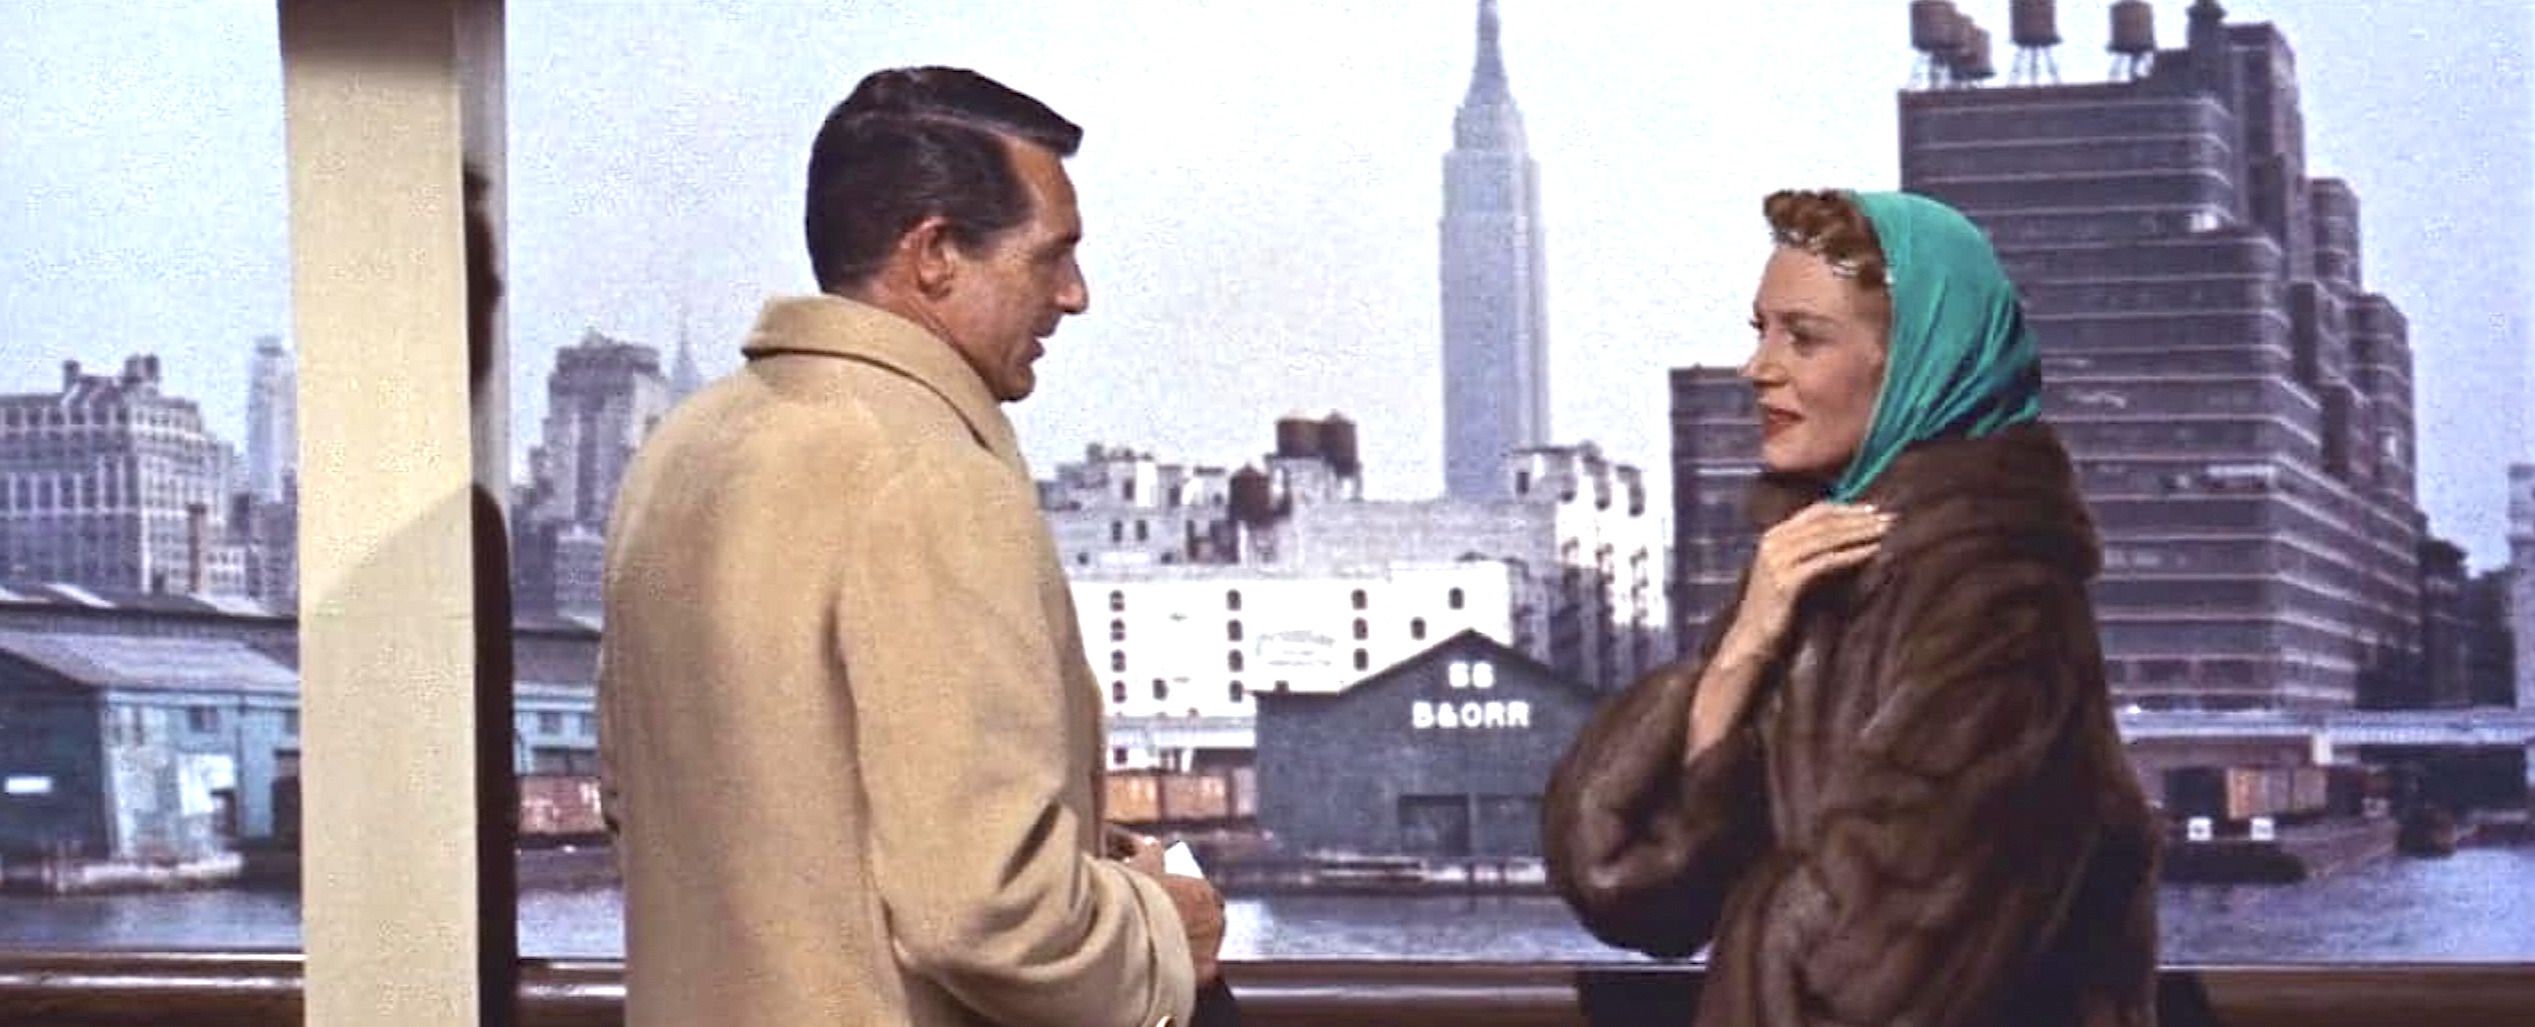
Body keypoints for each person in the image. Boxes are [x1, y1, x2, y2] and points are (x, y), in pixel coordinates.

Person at [598, 67, 1222, 1027]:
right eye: (1050, 256)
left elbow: (651, 811)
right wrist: (1161, 927)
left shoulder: (678, 454)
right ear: (934, 254)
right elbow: (986, 912)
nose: (1074, 295)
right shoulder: (931, 477)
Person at [1542, 189, 2161, 1026]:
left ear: (1911, 365)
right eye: (1759, 330)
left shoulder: (2001, 605)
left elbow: (1872, 966)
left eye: (1801, 337)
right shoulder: (1812, 575)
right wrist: (1738, 654)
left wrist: (1754, 925)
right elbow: (1637, 887)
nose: (1757, 367)